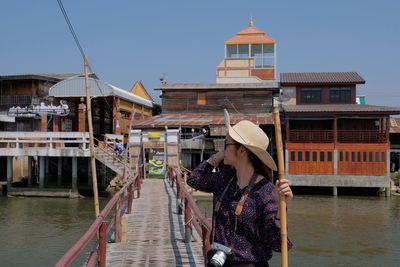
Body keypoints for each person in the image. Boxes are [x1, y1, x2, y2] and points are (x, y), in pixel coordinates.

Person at [187, 110, 293, 267]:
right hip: (218, 261)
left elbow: (277, 243)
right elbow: (194, 179)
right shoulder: (225, 179)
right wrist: (219, 155)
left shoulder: (265, 191)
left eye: (226, 144)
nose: (222, 149)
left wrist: (281, 209)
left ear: (242, 151)